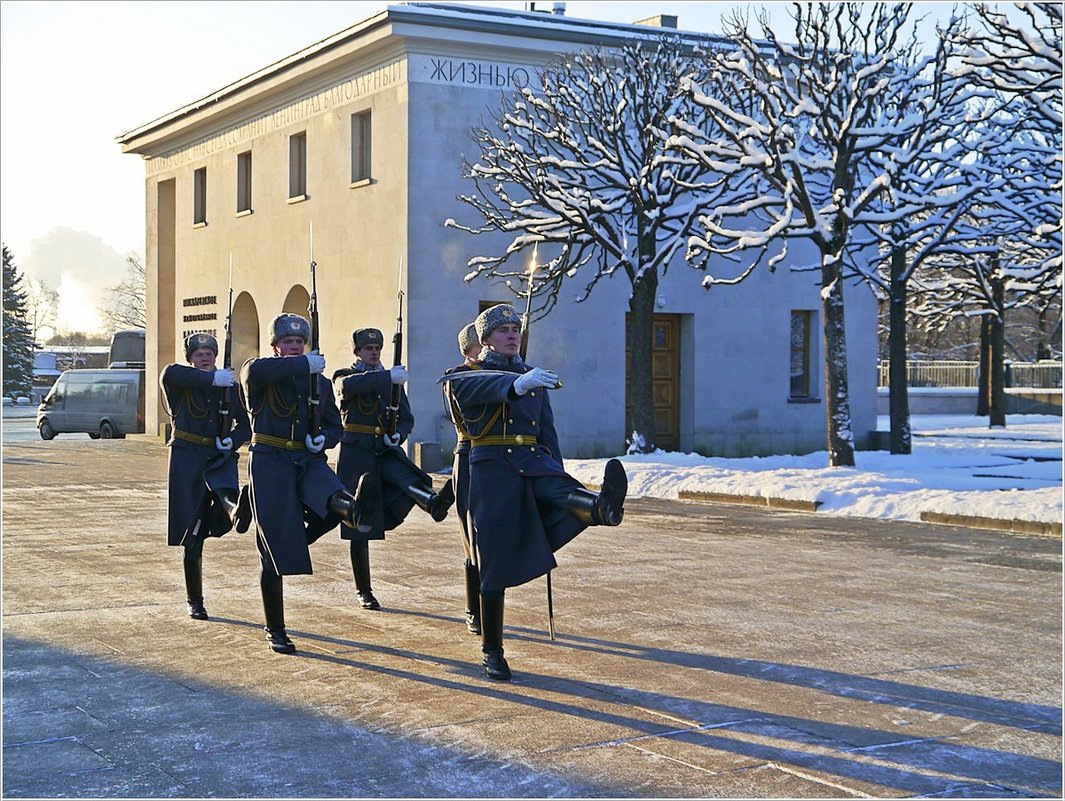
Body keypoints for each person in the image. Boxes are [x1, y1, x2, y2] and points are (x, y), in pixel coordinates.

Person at [442, 304, 628, 681]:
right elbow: (466, 391)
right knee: (491, 563)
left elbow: (546, 429)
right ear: (485, 340)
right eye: (503, 330)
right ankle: (492, 650)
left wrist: (556, 465)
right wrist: (514, 386)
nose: (512, 334)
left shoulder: (532, 374)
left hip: (532, 459)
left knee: (562, 490)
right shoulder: (466, 374)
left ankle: (601, 508)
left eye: (515, 328)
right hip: (490, 466)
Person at [241, 313, 377, 654]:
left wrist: (324, 439)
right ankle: (276, 629)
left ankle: (355, 509)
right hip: (270, 459)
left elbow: (335, 425)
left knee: (334, 502)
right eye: (288, 342)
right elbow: (254, 371)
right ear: (275, 347)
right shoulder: (260, 373)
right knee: (272, 554)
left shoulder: (319, 382)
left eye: (300, 342)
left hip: (307, 459)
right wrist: (303, 366)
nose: (295, 347)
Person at [333, 327, 455, 610]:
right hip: (356, 452)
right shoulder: (346, 375)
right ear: (357, 352)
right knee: (358, 524)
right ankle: (364, 589)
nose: (374, 352)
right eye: (368, 349)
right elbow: (346, 389)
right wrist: (387, 378)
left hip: (384, 448)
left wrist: (398, 434)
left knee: (405, 477)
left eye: (377, 348)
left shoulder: (392, 380)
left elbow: (407, 418)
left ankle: (433, 503)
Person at [161, 333, 252, 621]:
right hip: (187, 456)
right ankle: (195, 600)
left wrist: (233, 440)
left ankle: (237, 511)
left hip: (219, 455)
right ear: (190, 358)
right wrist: (213, 380)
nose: (205, 357)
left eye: (209, 352)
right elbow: (170, 373)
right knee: (192, 534)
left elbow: (247, 426)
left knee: (228, 500)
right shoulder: (180, 381)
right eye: (198, 353)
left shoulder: (229, 386)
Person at [441, 322, 483, 634]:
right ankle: (473, 608)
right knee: (472, 538)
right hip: (469, 454)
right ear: (468, 350)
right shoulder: (458, 376)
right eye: (480, 346)